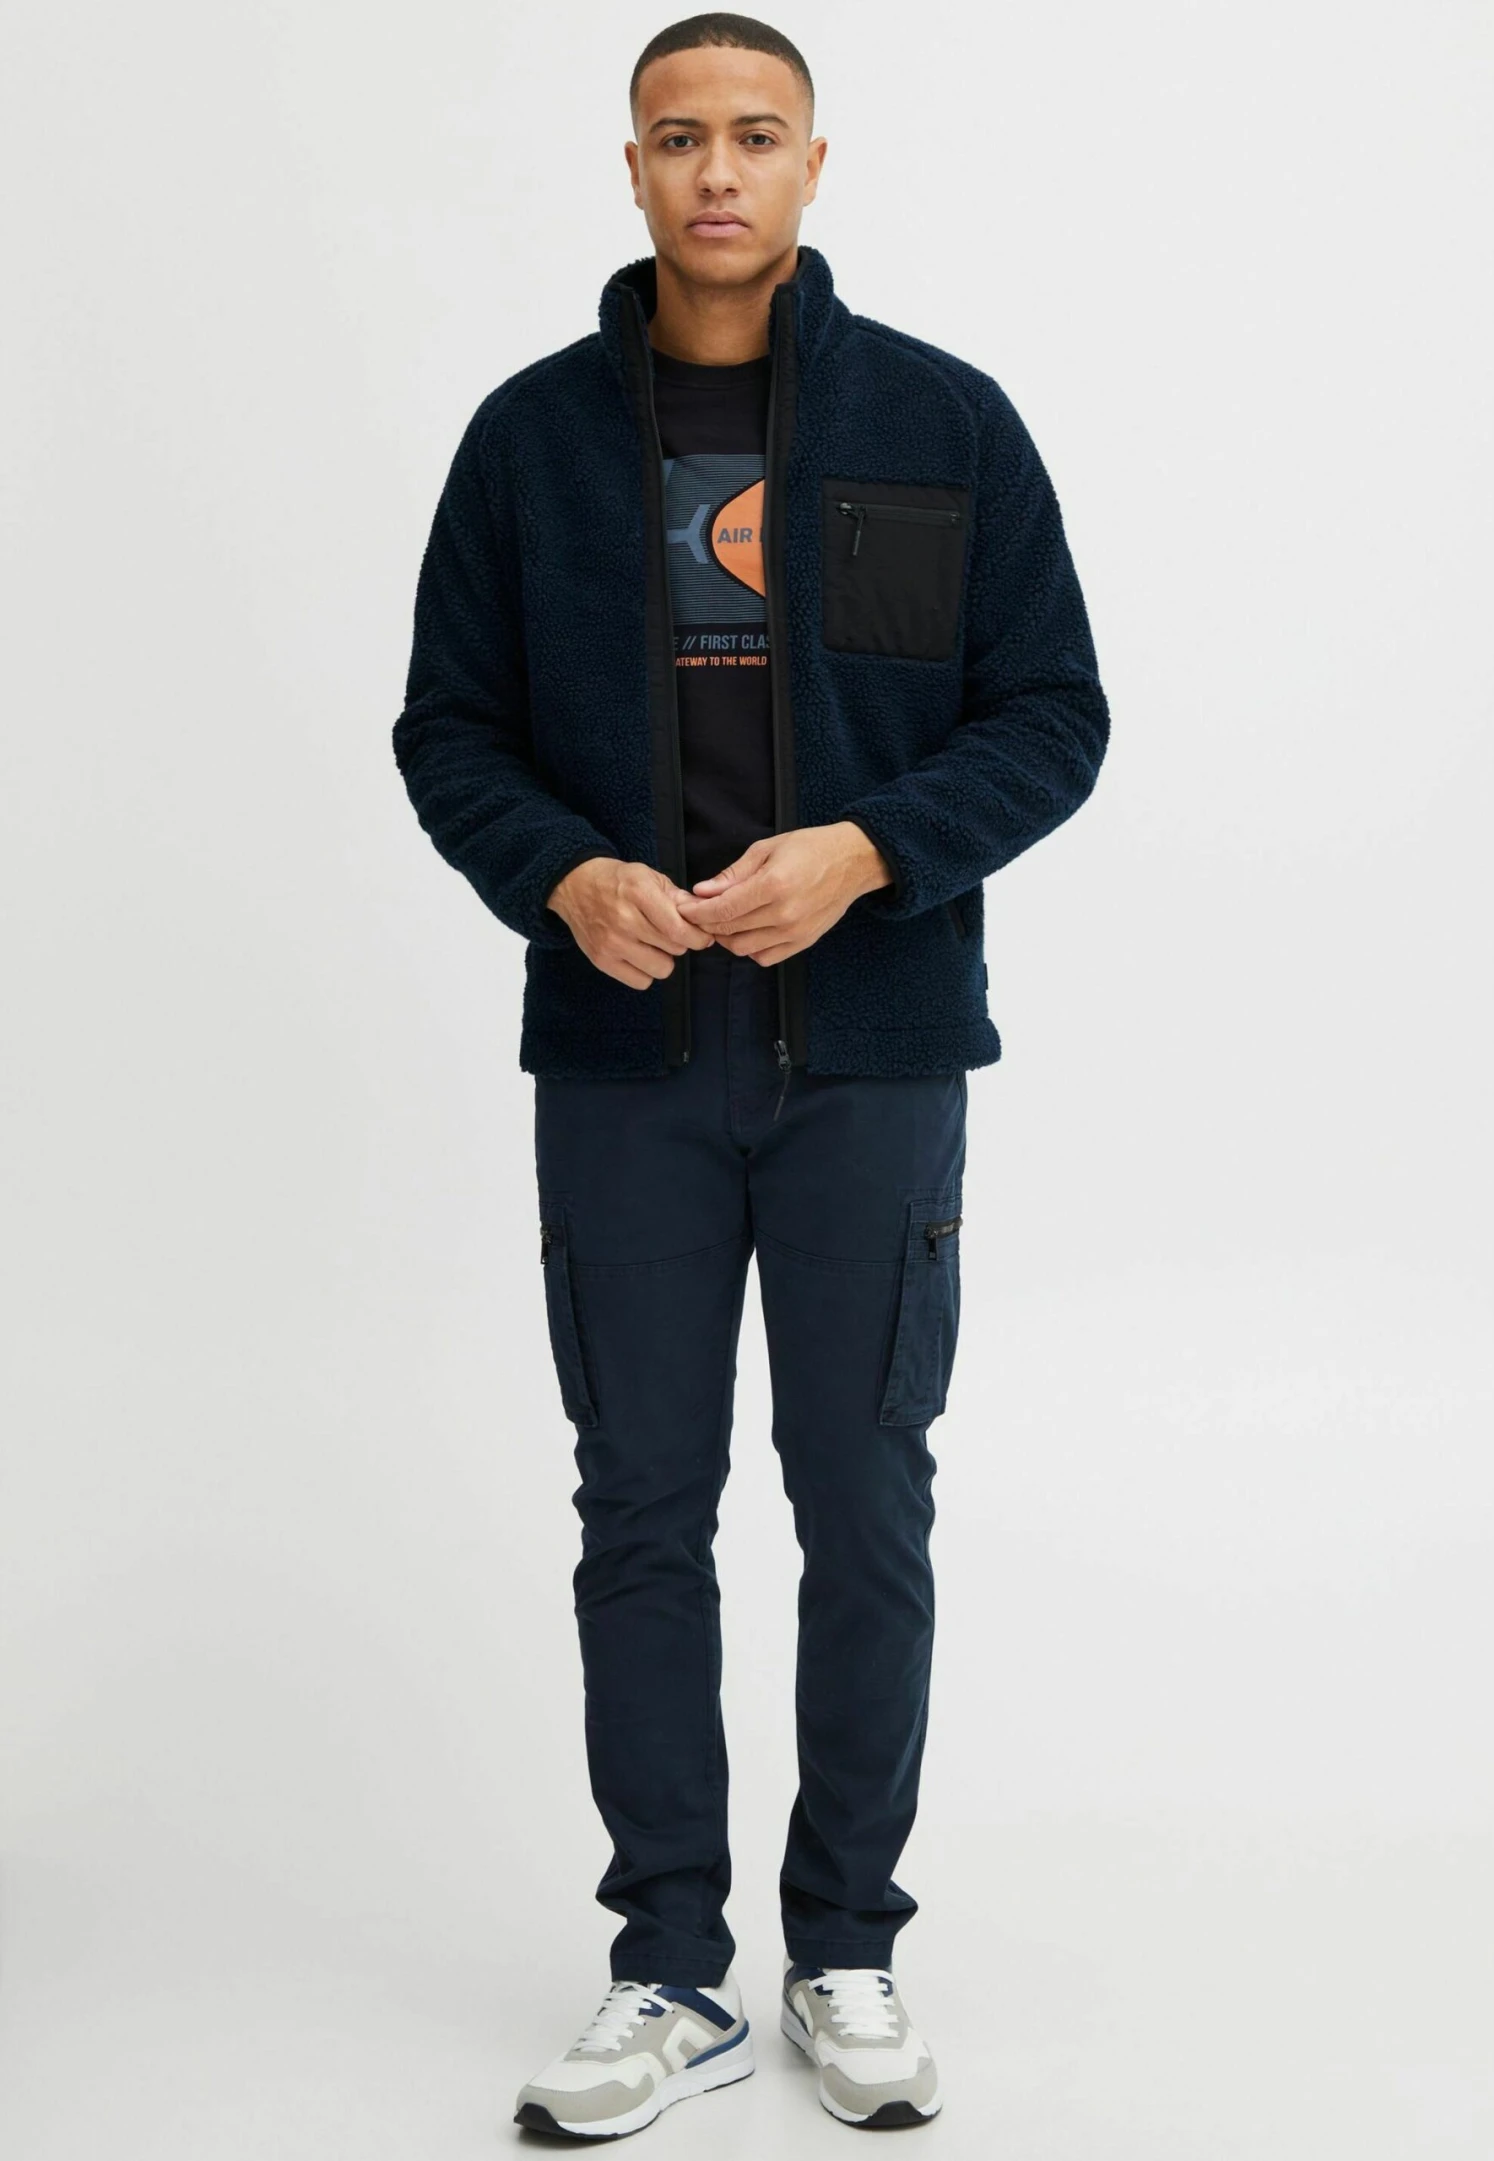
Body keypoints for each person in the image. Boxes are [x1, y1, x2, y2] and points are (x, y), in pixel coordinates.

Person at [392, 10, 1110, 2138]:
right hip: (626, 1054)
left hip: (868, 1057)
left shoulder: (941, 424)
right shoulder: (530, 442)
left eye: (757, 134)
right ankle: (668, 1970)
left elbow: (1052, 712)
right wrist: (560, 877)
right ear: (631, 167)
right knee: (640, 1506)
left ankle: (847, 1950)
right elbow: (449, 729)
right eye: (679, 135)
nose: (718, 169)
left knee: (864, 1500)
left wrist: (872, 848)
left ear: (815, 163)